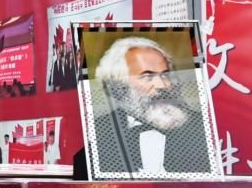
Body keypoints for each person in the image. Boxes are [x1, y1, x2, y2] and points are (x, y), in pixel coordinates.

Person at [86, 35, 212, 175]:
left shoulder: (201, 127)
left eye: (165, 75)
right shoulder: (97, 132)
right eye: (147, 77)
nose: (162, 85)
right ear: (119, 86)